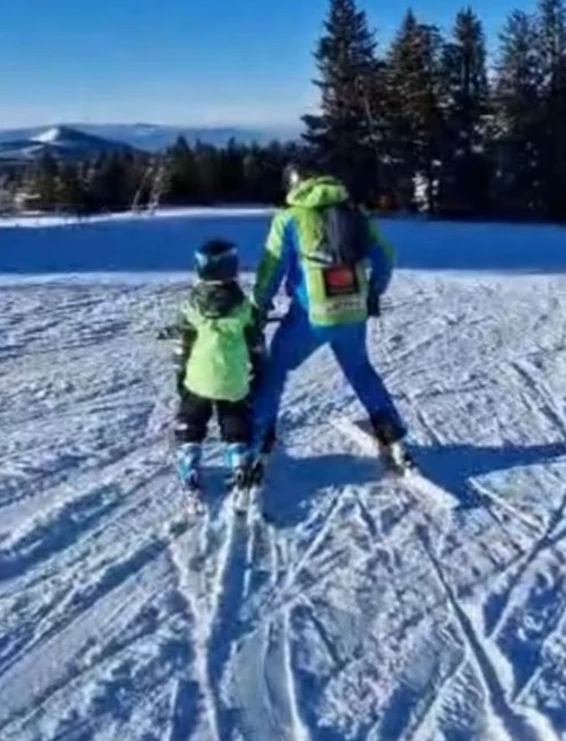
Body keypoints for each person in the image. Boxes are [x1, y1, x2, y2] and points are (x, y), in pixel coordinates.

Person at [249, 165, 411, 472]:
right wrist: (374, 291)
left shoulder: (290, 220)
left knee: (275, 370)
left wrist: (259, 306)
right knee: (360, 369)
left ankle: (259, 441)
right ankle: (392, 433)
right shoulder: (354, 213)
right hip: (354, 310)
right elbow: (386, 256)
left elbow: (272, 268)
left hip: (312, 317)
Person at [171, 237, 265, 496]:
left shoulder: (191, 306)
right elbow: (256, 345)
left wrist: (180, 373)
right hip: (234, 377)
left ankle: (189, 456)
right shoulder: (244, 307)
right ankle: (238, 458)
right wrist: (258, 373)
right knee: (234, 416)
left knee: (192, 416)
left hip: (198, 378)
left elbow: (182, 345)